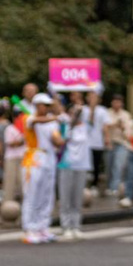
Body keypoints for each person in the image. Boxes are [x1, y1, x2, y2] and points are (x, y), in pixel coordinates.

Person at [21, 93, 64, 244]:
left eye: (48, 105)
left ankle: (42, 227)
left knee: (47, 194)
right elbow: (37, 121)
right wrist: (56, 117)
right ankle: (29, 229)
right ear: (37, 105)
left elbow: (57, 140)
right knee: (32, 194)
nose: (46, 108)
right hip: (34, 158)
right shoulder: (28, 118)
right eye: (44, 105)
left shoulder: (52, 122)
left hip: (50, 157)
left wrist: (66, 134)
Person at [58, 99, 91, 240]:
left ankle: (76, 225)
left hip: (82, 165)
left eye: (77, 113)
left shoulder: (87, 126)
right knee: (66, 197)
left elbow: (91, 108)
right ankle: (66, 226)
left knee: (77, 198)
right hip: (67, 164)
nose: (75, 115)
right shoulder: (65, 126)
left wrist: (80, 106)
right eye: (72, 112)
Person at [103, 94, 131, 197]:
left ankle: (114, 188)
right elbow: (104, 127)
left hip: (122, 143)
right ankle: (109, 187)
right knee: (109, 167)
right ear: (112, 103)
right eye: (115, 102)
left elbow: (128, 133)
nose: (117, 104)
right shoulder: (106, 113)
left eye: (119, 102)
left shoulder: (126, 115)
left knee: (118, 166)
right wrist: (116, 124)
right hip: (109, 143)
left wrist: (122, 127)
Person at [81, 91, 108, 195]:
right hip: (84, 143)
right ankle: (84, 186)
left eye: (95, 97)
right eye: (90, 97)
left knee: (96, 165)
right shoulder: (83, 110)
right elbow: (89, 123)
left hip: (97, 142)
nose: (92, 99)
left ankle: (94, 185)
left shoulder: (103, 110)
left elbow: (105, 126)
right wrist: (91, 110)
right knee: (85, 165)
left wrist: (106, 138)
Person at [3, 108, 27, 203]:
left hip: (23, 157)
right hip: (11, 158)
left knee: (23, 182)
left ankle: (24, 203)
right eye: (17, 116)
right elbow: (11, 143)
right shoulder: (9, 128)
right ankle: (7, 203)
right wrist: (21, 141)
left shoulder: (26, 128)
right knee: (10, 182)